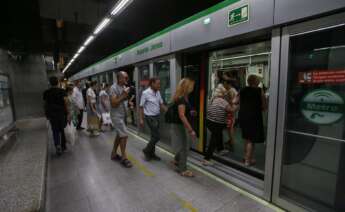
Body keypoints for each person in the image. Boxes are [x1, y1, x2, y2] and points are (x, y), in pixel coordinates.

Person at [170, 78, 197, 177]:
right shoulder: (181, 99)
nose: (193, 88)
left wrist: (191, 112)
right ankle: (183, 170)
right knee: (184, 147)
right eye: (192, 86)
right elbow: (181, 115)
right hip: (179, 126)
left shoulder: (183, 97)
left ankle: (177, 160)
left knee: (182, 145)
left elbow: (182, 112)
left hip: (178, 125)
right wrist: (191, 130)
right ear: (187, 87)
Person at [202, 86, 235, 166]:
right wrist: (237, 105)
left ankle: (220, 149)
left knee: (218, 134)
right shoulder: (223, 102)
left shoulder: (213, 99)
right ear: (223, 94)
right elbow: (231, 110)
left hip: (209, 122)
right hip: (217, 123)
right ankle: (206, 159)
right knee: (213, 140)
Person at [238, 75, 267, 166]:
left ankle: (245, 156)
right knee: (251, 140)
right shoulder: (259, 90)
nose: (259, 81)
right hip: (253, 117)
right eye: (258, 80)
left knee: (246, 138)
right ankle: (248, 161)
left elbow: (235, 101)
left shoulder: (242, 90)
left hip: (243, 116)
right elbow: (264, 106)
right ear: (255, 81)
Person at [140, 77, 167, 161]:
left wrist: (168, 111)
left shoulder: (158, 92)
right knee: (157, 136)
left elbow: (161, 104)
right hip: (150, 117)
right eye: (158, 83)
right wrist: (141, 119)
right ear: (152, 83)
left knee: (153, 136)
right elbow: (141, 106)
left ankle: (151, 154)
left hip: (157, 116)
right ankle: (146, 150)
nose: (159, 85)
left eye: (160, 83)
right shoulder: (145, 93)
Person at [110, 71, 133, 168]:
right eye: (125, 78)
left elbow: (122, 101)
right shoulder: (113, 88)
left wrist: (129, 103)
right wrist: (123, 95)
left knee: (119, 135)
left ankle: (114, 153)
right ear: (119, 78)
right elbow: (114, 103)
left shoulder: (124, 88)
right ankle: (124, 157)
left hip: (122, 115)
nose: (127, 79)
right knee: (124, 135)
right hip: (116, 116)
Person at [43, 76, 68, 155]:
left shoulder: (46, 92)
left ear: (50, 83)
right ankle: (63, 145)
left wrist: (46, 114)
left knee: (55, 130)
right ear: (58, 82)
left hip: (52, 114)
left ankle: (57, 145)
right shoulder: (62, 91)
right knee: (62, 129)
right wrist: (68, 113)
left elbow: (45, 104)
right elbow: (66, 103)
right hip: (61, 114)